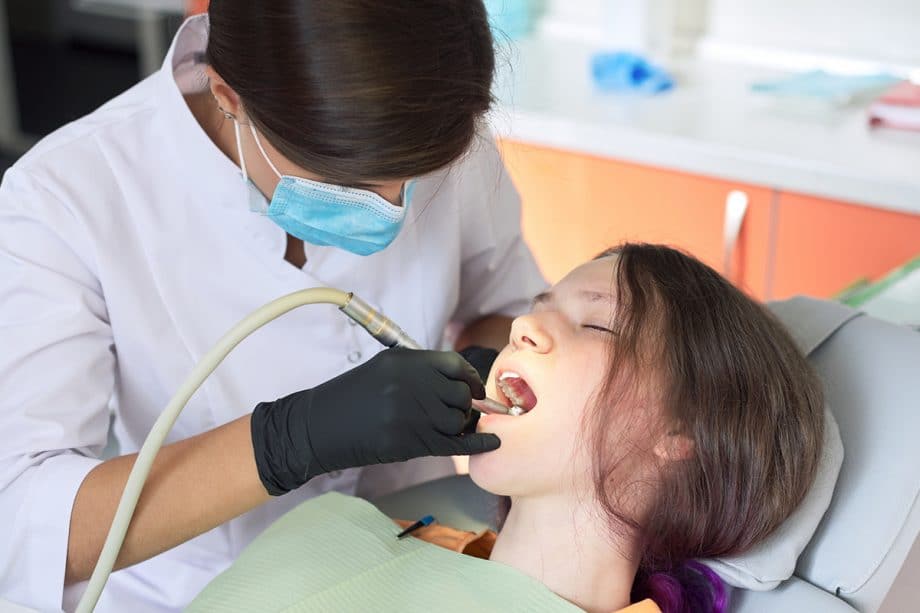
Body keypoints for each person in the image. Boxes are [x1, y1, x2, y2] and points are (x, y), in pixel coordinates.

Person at [0, 2, 546, 611]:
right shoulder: (65, 198)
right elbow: (23, 524)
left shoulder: (430, 113)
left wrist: (492, 363)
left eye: (414, 180)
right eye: (352, 183)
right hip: (197, 593)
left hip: (416, 556)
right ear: (229, 96)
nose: (393, 208)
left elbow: (506, 305)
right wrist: (288, 441)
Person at [190, 243, 825, 613]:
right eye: (538, 306)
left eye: (597, 324)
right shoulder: (335, 526)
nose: (520, 329)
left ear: (682, 432)